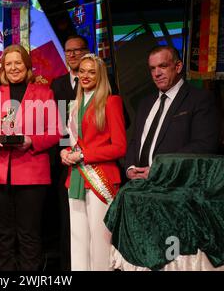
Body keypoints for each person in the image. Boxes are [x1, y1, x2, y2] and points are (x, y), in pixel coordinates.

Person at [0, 44, 61, 271]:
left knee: (29, 234)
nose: (13, 68)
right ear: (3, 67)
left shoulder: (44, 93)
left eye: (18, 63)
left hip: (32, 175)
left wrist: (32, 140)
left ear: (27, 65)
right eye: (9, 63)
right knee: (1, 235)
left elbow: (55, 132)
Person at [60, 53, 126, 270]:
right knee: (78, 241)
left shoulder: (111, 101)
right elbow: (76, 143)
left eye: (92, 72)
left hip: (101, 178)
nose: (85, 76)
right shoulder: (73, 104)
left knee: (100, 243)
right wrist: (67, 153)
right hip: (76, 178)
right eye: (82, 71)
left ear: (101, 76)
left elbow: (119, 147)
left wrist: (83, 155)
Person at [126, 45, 220, 180]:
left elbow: (204, 145)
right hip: (140, 186)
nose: (156, 73)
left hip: (176, 188)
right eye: (152, 68)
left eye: (162, 66)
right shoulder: (145, 103)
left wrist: (159, 168)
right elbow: (135, 141)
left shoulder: (199, 99)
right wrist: (130, 168)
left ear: (178, 67)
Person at [50, 35, 89, 270]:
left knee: (92, 222)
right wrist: (65, 151)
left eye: (78, 50)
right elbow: (54, 123)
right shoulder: (57, 84)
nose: (72, 55)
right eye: (68, 51)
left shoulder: (105, 81)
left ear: (87, 52)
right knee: (68, 221)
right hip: (65, 164)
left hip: (95, 164)